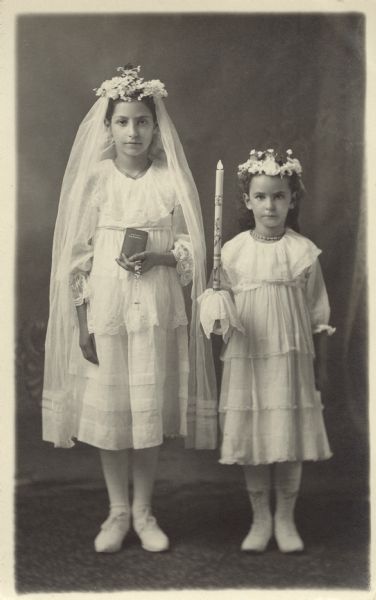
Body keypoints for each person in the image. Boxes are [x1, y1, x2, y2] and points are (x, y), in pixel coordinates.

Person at [42, 65, 217, 554]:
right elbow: (76, 259)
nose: (133, 131)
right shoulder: (96, 180)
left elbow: (192, 248)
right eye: (123, 122)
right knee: (112, 412)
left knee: (146, 411)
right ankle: (117, 510)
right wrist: (83, 322)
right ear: (109, 127)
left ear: (155, 127)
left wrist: (161, 255)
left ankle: (144, 510)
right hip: (108, 308)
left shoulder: (168, 180)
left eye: (142, 121)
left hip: (156, 307)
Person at [199, 148, 335, 553]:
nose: (270, 205)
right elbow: (217, 314)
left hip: (291, 354)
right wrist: (216, 299)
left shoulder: (303, 251)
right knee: (255, 429)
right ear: (246, 200)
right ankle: (260, 518)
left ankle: (285, 519)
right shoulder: (233, 252)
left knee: (286, 430)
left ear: (292, 199)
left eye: (279, 196)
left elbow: (318, 311)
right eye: (261, 196)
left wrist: (320, 365)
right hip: (249, 352)